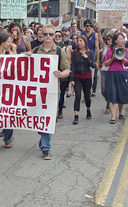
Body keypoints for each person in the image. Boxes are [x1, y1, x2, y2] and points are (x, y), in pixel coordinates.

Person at [32, 24, 71, 160]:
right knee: (39, 117)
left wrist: (61, 74)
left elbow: (67, 70)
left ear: (55, 36)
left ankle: (46, 147)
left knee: (48, 118)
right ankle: (43, 136)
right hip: (38, 91)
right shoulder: (36, 50)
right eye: (46, 34)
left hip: (54, 91)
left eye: (51, 34)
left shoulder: (59, 52)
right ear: (41, 35)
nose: (48, 37)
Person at [104, 32, 128, 124]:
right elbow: (106, 63)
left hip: (122, 73)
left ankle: (120, 112)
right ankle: (112, 116)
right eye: (120, 38)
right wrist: (112, 58)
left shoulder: (126, 50)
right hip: (112, 73)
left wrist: (121, 57)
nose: (122, 40)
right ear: (115, 41)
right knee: (112, 94)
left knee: (121, 93)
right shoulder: (110, 51)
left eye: (123, 39)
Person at [71, 34, 95, 124]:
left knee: (87, 96)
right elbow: (72, 66)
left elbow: (93, 65)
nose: (79, 43)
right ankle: (76, 115)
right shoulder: (74, 53)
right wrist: (72, 79)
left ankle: (88, 109)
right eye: (78, 41)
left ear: (85, 42)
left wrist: (86, 57)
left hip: (87, 77)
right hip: (78, 77)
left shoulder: (90, 53)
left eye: (81, 41)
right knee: (77, 96)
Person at [82, 19, 100, 96]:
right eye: (87, 26)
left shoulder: (94, 34)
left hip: (92, 55)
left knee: (94, 74)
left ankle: (94, 90)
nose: (89, 27)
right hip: (84, 55)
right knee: (86, 73)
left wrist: (97, 60)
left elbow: (97, 47)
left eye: (90, 26)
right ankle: (87, 89)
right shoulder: (82, 34)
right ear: (84, 26)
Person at [99, 33, 113, 114]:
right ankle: (108, 101)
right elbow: (99, 38)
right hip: (104, 70)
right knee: (103, 90)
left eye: (111, 39)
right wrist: (98, 30)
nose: (110, 40)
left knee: (110, 89)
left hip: (111, 70)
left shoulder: (115, 48)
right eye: (108, 39)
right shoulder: (104, 47)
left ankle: (109, 105)